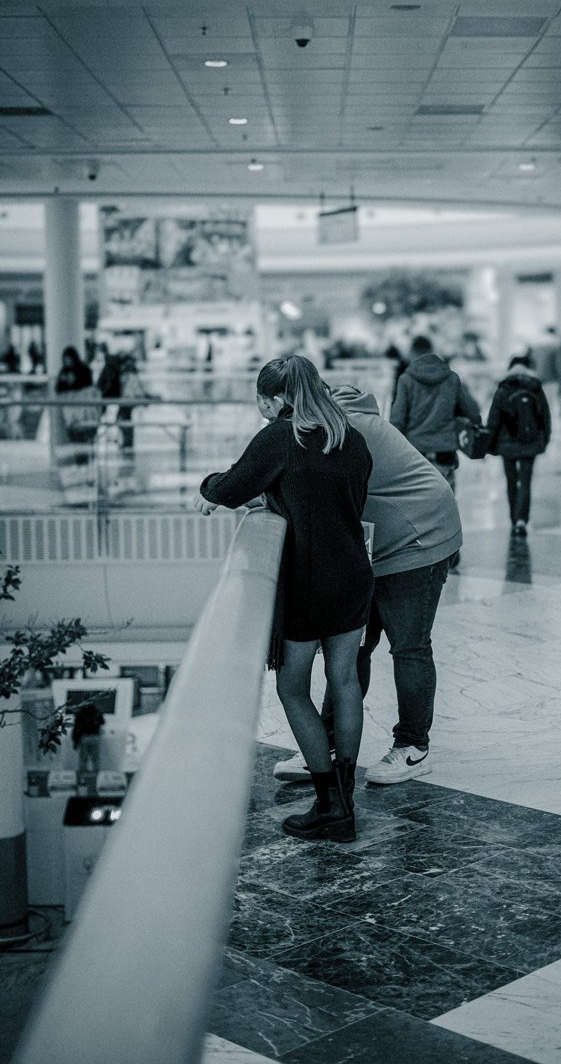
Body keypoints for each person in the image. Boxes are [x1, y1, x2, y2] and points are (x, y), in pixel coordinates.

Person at [194, 355, 373, 842]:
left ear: (277, 399)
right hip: (354, 575)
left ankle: (329, 803)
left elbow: (230, 488)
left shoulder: (282, 436)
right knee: (343, 682)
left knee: (292, 688)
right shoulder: (349, 437)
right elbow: (336, 501)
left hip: (308, 583)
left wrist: (207, 487)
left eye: (263, 400)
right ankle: (347, 794)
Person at [274, 383, 462, 787]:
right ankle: (326, 742)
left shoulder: (340, 429)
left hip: (420, 538)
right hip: (375, 548)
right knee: (353, 645)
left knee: (408, 646)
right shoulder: (328, 422)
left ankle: (413, 748)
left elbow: (303, 484)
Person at [390, 334, 480, 493]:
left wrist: (391, 449)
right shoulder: (452, 378)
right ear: (432, 351)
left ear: (412, 352)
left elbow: (397, 420)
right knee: (446, 501)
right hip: (445, 450)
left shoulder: (406, 380)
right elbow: (472, 410)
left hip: (416, 451)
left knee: (418, 500)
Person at [484, 354, 552, 537]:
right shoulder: (535, 387)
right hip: (530, 442)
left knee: (512, 481)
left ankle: (515, 519)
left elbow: (493, 420)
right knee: (526, 481)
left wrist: (488, 444)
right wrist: (545, 439)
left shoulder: (503, 388)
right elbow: (544, 415)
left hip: (507, 445)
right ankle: (522, 520)